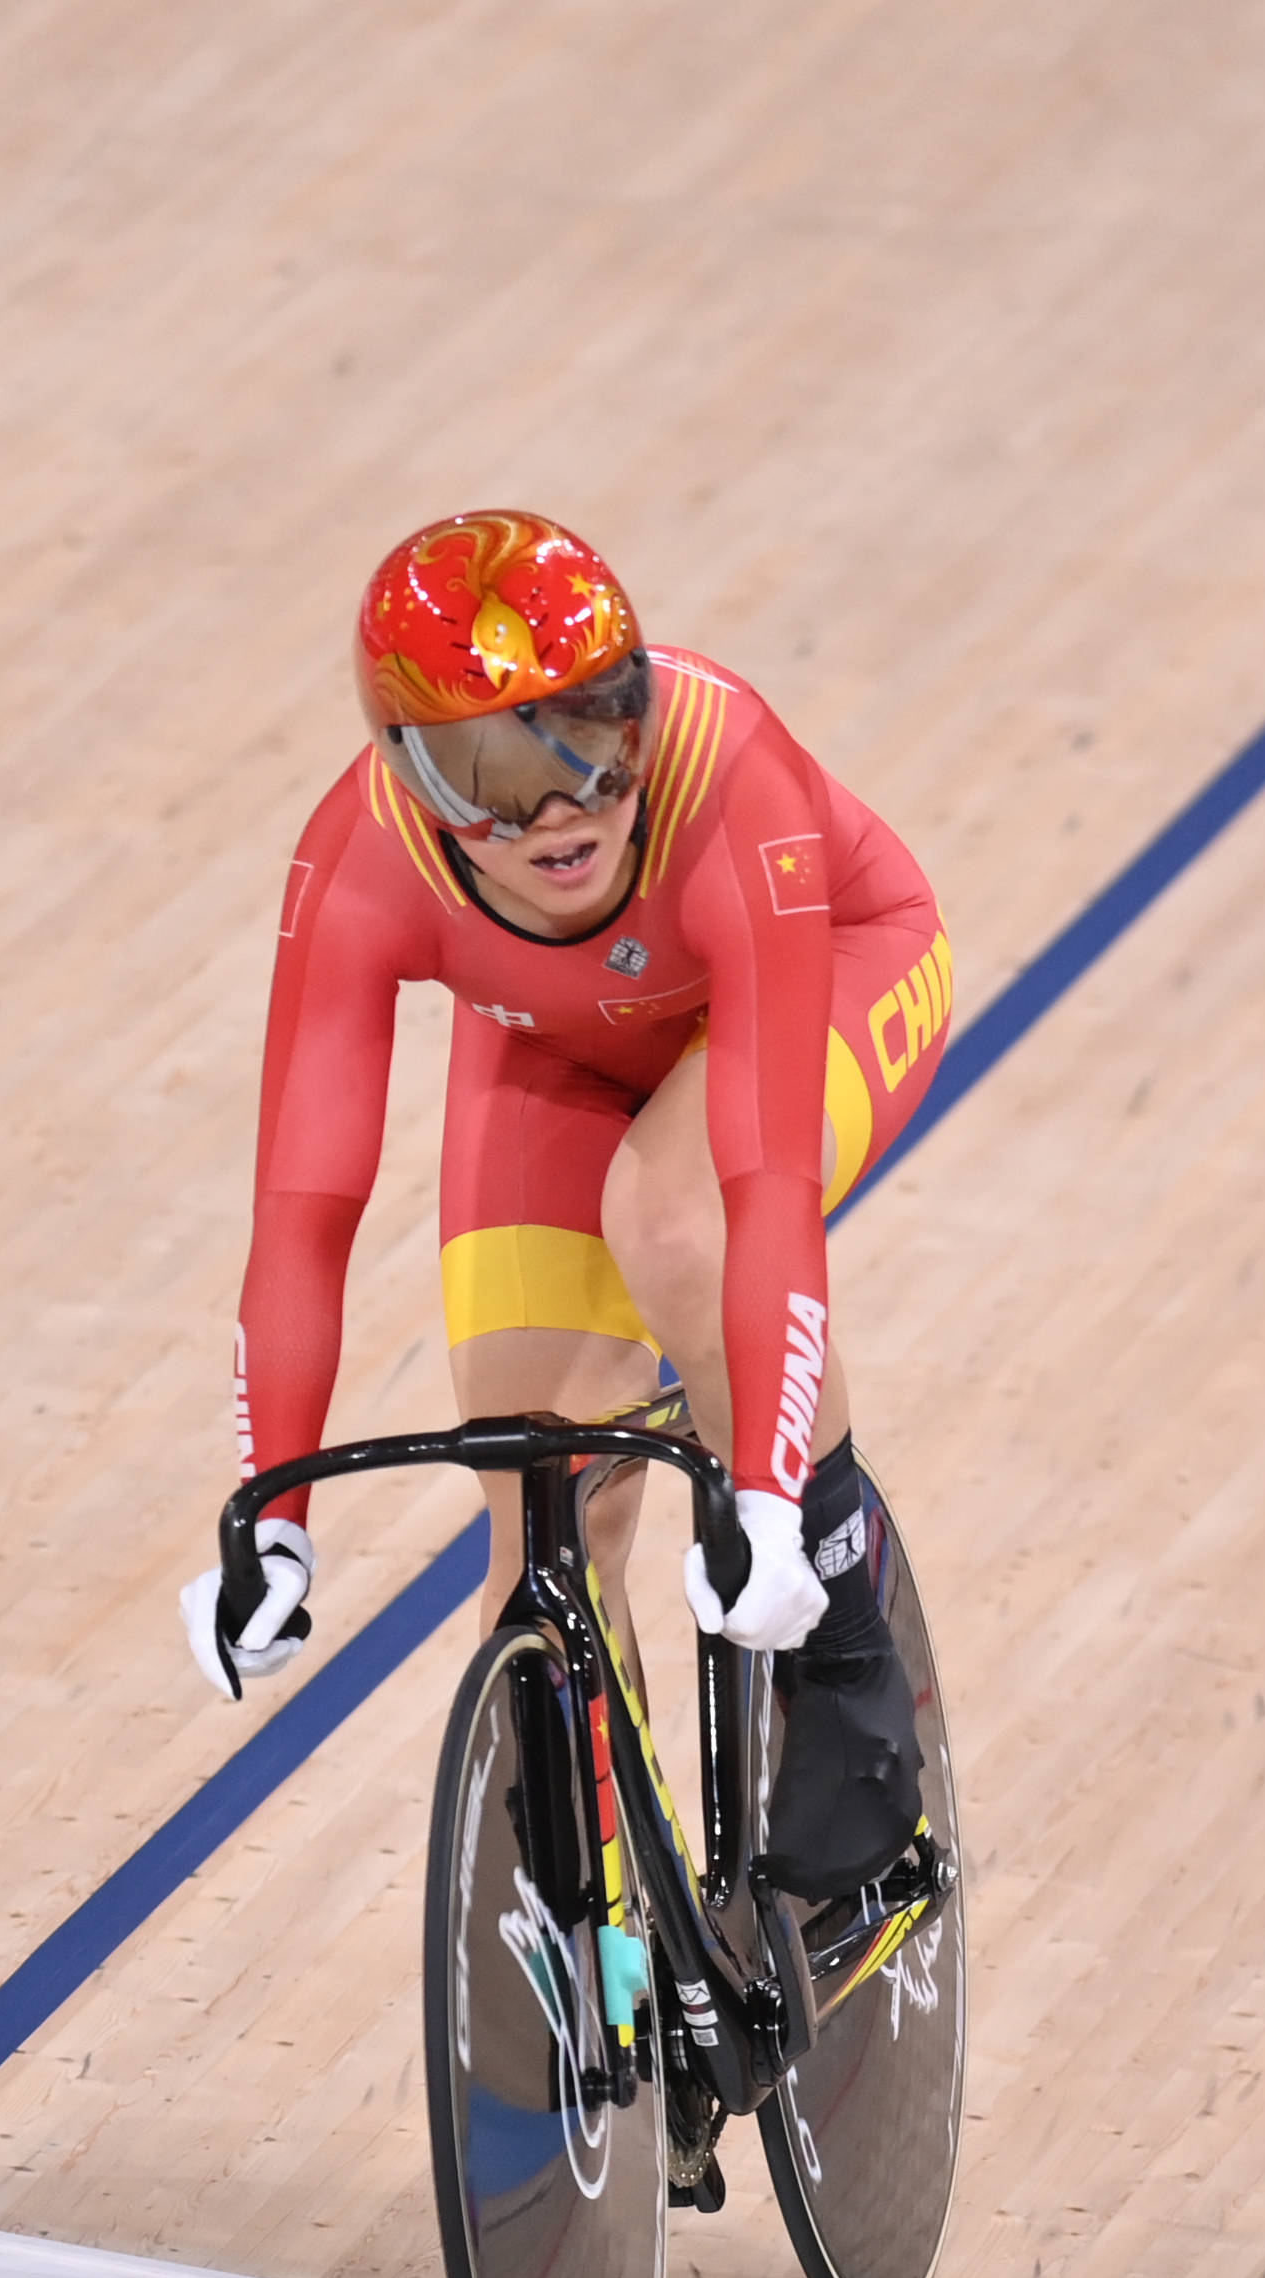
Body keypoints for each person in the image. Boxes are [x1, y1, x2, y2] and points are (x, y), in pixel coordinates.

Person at [185, 509, 954, 1897]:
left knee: (677, 1224)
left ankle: (845, 1657)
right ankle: (599, 1949)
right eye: (494, 769)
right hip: (555, 1048)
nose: (560, 810)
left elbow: (765, 1187)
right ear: (414, 781)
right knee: (536, 1487)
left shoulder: (734, 776)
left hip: (820, 972)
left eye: (591, 736)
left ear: (641, 708)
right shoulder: (358, 865)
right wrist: (270, 1521)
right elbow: (303, 1215)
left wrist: (777, 1502)